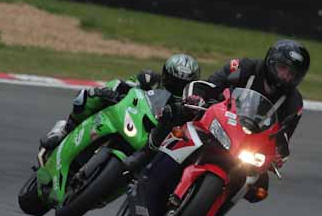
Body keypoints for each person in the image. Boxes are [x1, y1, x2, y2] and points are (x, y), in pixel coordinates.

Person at [177, 39, 311, 202]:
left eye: (292, 73)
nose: (285, 76)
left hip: (247, 146)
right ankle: (152, 152)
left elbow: (283, 138)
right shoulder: (244, 67)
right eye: (282, 68)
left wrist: (278, 155)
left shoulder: (294, 103)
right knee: (176, 118)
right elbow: (210, 84)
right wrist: (198, 97)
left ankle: (215, 205)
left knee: (258, 190)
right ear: (271, 62)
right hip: (216, 122)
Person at [39, 53, 201, 151]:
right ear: (165, 74)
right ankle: (64, 130)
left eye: (181, 84)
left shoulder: (187, 104)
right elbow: (125, 84)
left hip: (148, 137)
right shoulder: (149, 78)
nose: (175, 86)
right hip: (127, 115)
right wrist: (113, 93)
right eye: (172, 80)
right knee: (92, 94)